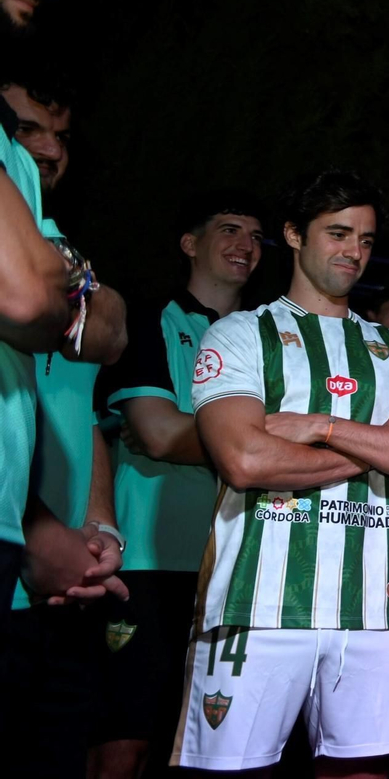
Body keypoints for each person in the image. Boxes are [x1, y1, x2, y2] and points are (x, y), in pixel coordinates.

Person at [175, 170, 389, 776]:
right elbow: (245, 462)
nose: (355, 251)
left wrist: (320, 426)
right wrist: (381, 445)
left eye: (367, 239)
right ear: (294, 235)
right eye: (338, 233)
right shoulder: (241, 333)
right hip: (257, 605)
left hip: (372, 608)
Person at [91, 191, 266, 779]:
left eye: (255, 236)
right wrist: (257, 443)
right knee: (125, 739)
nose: (246, 245)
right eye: (230, 229)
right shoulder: (149, 319)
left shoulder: (269, 337)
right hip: (150, 560)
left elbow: (173, 433)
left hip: (240, 566)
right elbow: (156, 433)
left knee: (207, 746)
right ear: (190, 244)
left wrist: (225, 439)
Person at [1, 0, 127, 642]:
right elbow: (25, 296)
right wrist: (61, 288)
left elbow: (107, 330)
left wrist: (42, 519)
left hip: (26, 532)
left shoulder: (36, 204)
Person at [0, 61, 129, 777]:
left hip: (71, 582)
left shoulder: (59, 245)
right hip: (17, 569)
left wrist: (100, 526)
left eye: (60, 136)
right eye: (26, 129)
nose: (49, 150)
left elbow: (106, 340)